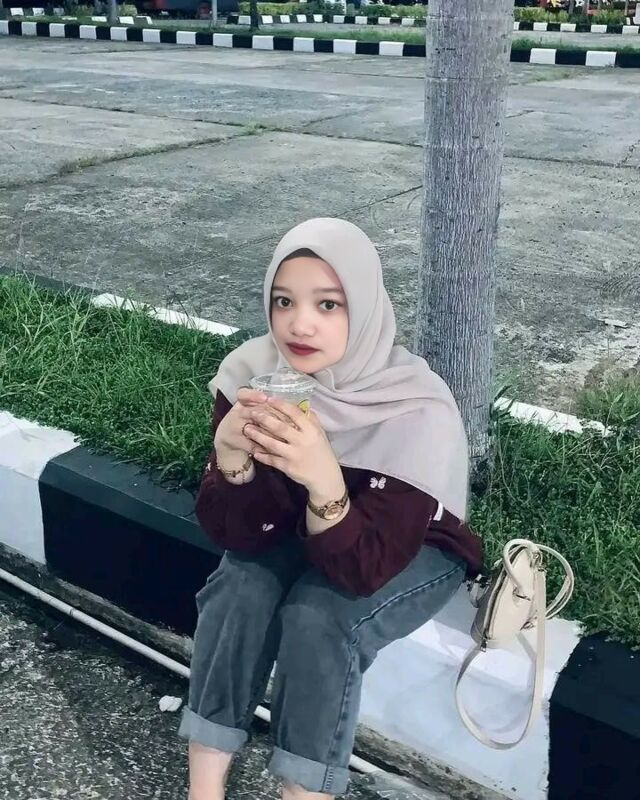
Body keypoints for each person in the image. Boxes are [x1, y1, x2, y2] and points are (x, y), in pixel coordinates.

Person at [178, 218, 484, 800]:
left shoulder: (411, 406)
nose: (300, 324)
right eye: (283, 301)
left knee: (320, 618)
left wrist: (323, 481)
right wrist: (232, 459)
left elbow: (362, 571)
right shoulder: (252, 376)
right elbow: (238, 535)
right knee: (239, 589)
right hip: (302, 530)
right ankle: (204, 788)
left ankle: (304, 791)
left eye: (328, 304)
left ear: (363, 308)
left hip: (408, 548)